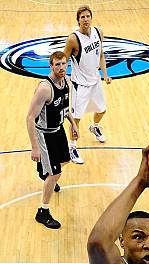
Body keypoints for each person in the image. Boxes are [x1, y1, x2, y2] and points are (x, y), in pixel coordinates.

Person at [26, 51, 79, 230]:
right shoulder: (44, 88)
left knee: (65, 160)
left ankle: (44, 170)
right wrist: (35, 148)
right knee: (55, 174)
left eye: (64, 64)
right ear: (51, 66)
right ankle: (43, 211)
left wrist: (73, 124)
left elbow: (65, 107)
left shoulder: (67, 82)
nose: (61, 67)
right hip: (44, 134)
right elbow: (30, 117)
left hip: (58, 130)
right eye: (57, 64)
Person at [64, 5, 112, 165]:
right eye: (82, 17)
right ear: (78, 20)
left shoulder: (98, 32)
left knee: (102, 110)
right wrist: (61, 80)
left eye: (87, 16)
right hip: (80, 85)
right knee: (75, 119)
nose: (85, 19)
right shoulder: (73, 39)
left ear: (91, 18)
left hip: (95, 81)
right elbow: (63, 60)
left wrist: (105, 75)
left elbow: (101, 54)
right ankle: (72, 147)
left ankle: (95, 126)